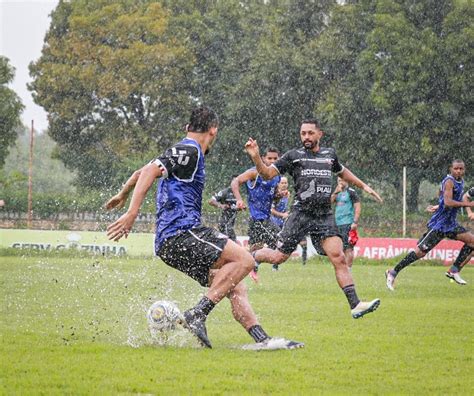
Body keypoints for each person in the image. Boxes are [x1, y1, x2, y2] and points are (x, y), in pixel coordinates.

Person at [106, 106, 303, 350]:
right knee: (245, 261)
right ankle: (197, 314)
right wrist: (131, 212)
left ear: (188, 127)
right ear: (213, 130)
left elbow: (141, 171)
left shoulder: (185, 150)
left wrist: (122, 193)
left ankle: (262, 340)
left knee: (234, 283)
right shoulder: (190, 149)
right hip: (182, 232)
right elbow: (148, 171)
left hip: (171, 242)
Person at [243, 118, 383, 319]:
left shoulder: (329, 155)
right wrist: (256, 157)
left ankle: (356, 305)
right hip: (300, 215)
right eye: (303, 134)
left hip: (324, 215)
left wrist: (364, 187)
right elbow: (265, 174)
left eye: (310, 133)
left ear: (320, 134)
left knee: (339, 257)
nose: (306, 137)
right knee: (278, 257)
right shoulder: (293, 156)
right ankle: (253, 257)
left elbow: (343, 171)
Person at [385, 160, 474, 289]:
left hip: (451, 224)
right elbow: (449, 202)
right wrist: (469, 205)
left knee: (472, 241)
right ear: (451, 169)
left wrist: (439, 205)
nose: (459, 171)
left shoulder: (461, 181)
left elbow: (448, 200)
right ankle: (392, 272)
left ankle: (454, 270)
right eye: (456, 168)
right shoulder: (449, 181)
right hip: (440, 224)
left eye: (461, 168)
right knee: (420, 252)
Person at [231, 147, 282, 281]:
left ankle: (237, 267)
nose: (272, 161)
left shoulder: (276, 176)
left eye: (275, 158)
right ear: (263, 158)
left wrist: (279, 195)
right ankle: (252, 265)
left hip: (266, 218)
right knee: (280, 241)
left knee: (254, 247)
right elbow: (235, 181)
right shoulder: (254, 173)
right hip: (257, 218)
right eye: (269, 158)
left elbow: (274, 196)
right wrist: (239, 199)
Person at [271, 177, 308, 266]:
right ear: (278, 184)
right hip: (274, 221)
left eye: (286, 183)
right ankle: (274, 266)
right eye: (282, 183)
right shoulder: (275, 194)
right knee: (279, 244)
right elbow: (270, 210)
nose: (284, 185)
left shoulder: (288, 194)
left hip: (286, 222)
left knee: (303, 243)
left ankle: (304, 265)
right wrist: (281, 214)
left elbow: (288, 207)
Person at [331, 177, 361, 269]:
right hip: (337, 223)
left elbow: (358, 207)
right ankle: (343, 268)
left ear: (346, 180)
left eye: (341, 180)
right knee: (340, 248)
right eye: (338, 181)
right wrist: (336, 191)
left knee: (348, 247)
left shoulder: (351, 192)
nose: (340, 182)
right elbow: (330, 202)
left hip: (348, 223)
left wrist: (355, 222)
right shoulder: (337, 192)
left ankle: (349, 269)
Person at [208, 176, 240, 242]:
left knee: (229, 243)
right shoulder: (225, 192)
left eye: (238, 182)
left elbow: (236, 206)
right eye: (235, 182)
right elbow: (211, 201)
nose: (237, 184)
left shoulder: (238, 194)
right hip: (224, 224)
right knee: (233, 242)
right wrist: (221, 205)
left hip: (230, 224)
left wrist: (240, 207)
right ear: (231, 183)